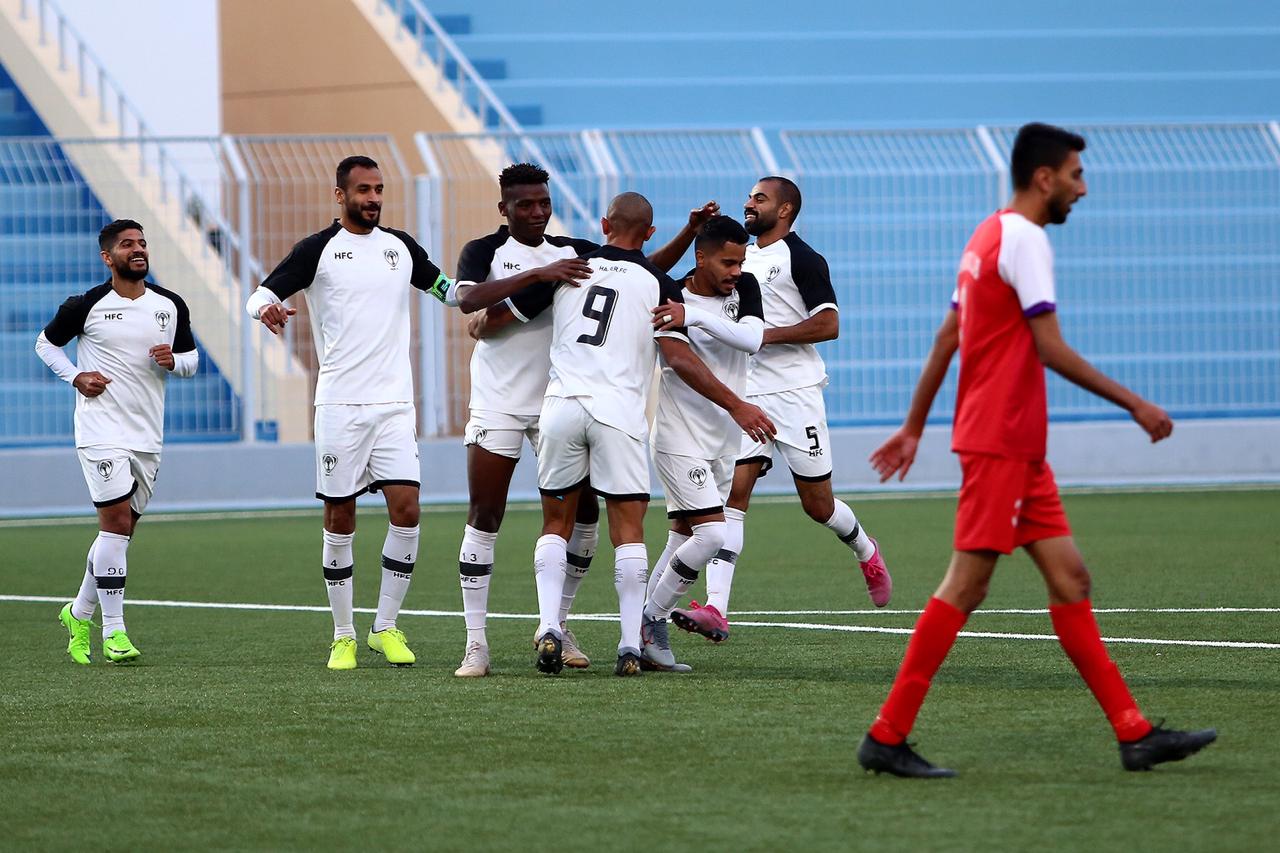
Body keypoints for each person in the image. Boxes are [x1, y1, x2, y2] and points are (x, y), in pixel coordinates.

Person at [856, 122, 1216, 777]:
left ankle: (1134, 733)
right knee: (966, 586)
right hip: (1000, 442)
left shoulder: (986, 235)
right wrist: (1135, 403)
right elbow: (1048, 347)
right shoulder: (1025, 238)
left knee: (1070, 579)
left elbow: (947, 338)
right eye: (1076, 175)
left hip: (1017, 448)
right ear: (1045, 178)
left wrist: (913, 427)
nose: (1083, 188)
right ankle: (886, 734)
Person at [448, 163, 718, 677]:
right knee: (485, 514)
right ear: (504, 208)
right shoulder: (485, 251)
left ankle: (557, 624)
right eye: (525, 204)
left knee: (585, 521)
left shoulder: (575, 254)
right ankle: (476, 644)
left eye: (543, 203)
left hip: (558, 404)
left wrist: (686, 233)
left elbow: (633, 266)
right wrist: (535, 277)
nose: (537, 212)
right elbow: (469, 304)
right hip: (503, 401)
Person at [508, 192, 773, 676]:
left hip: (561, 407)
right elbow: (677, 355)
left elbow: (498, 313)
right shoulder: (657, 282)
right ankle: (632, 643)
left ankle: (550, 627)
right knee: (628, 533)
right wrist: (737, 403)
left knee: (555, 525)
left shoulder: (570, 268)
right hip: (618, 415)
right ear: (650, 234)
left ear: (603, 223)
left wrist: (485, 311)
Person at [245, 155, 454, 671]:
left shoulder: (400, 248)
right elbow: (260, 294)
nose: (374, 198)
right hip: (340, 406)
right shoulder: (318, 250)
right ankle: (343, 635)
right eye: (363, 189)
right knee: (341, 516)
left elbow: (448, 291)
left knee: (408, 509)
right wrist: (265, 308)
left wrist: (496, 290)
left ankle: (385, 627)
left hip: (394, 406)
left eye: (379, 188)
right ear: (340, 195)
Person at [673, 177, 891, 644]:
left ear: (786, 209)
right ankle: (716, 608)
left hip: (796, 393)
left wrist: (762, 336)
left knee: (818, 506)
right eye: (749, 197)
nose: (749, 203)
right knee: (733, 496)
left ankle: (866, 549)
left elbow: (829, 324)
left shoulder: (803, 258)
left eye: (760, 198)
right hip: (747, 394)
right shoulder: (738, 259)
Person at [39, 219, 199, 665]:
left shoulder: (170, 305)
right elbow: (45, 344)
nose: (138, 249)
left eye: (142, 242)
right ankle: (114, 632)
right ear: (108, 257)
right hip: (100, 431)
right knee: (114, 524)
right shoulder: (86, 305)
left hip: (147, 435)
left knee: (121, 532)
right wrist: (76, 376)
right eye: (127, 244)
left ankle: (78, 613)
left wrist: (174, 361)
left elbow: (191, 360)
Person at [645, 215, 768, 670]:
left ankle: (640, 636)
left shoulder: (745, 287)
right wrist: (738, 405)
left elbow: (752, 339)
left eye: (740, 262)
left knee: (681, 536)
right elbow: (678, 360)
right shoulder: (671, 293)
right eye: (727, 262)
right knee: (713, 534)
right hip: (679, 434)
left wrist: (693, 316)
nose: (736, 271)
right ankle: (651, 619)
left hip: (722, 439)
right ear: (701, 257)